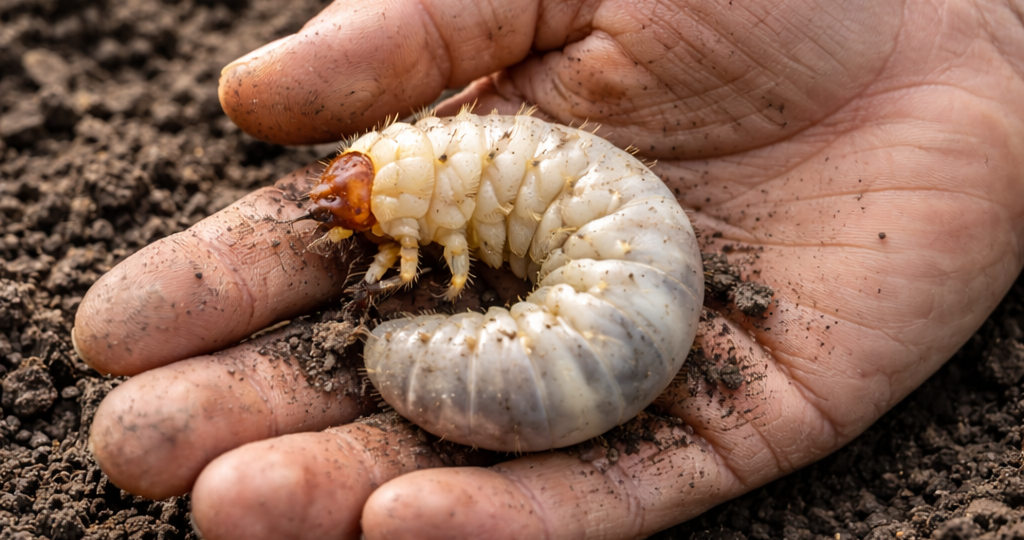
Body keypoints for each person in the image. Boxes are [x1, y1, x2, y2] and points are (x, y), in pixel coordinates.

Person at [72, 0, 1024, 538]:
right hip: (619, 293)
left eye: (357, 189)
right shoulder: (481, 180)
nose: (340, 200)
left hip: (617, 312)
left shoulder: (455, 209)